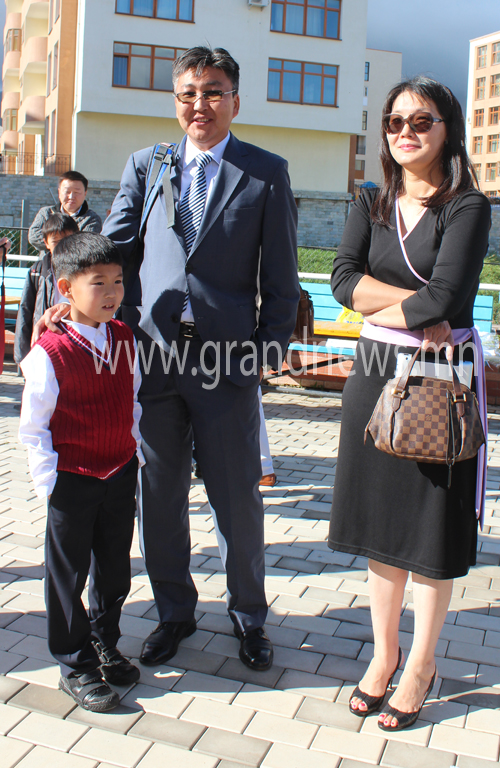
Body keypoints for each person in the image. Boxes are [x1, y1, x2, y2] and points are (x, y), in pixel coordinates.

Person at [37, 46, 299, 671]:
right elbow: (114, 246)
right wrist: (69, 298)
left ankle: (249, 616)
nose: (199, 104)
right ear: (175, 100)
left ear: (235, 100)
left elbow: (282, 274)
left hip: (226, 361)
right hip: (150, 359)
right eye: (188, 93)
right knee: (158, 497)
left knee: (237, 498)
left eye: (212, 92)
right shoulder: (147, 164)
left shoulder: (265, 172)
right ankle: (174, 613)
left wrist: (267, 351)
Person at [328, 76, 491, 731]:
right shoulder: (370, 200)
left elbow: (446, 298)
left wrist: (394, 305)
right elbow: (342, 282)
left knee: (428, 528)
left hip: (438, 379)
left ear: (447, 128)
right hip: (373, 372)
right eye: (395, 121)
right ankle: (383, 654)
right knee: (382, 526)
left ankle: (421, 664)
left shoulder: (468, 206)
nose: (406, 132)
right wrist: (412, 309)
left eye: (421, 121)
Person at [19, 232, 144, 712]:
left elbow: (132, 399)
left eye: (118, 281)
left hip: (119, 471)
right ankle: (74, 663)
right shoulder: (50, 352)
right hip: (71, 478)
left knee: (114, 568)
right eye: (99, 283)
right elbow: (34, 427)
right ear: (66, 289)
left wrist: (133, 452)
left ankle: (103, 640)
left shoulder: (124, 337)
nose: (112, 293)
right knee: (67, 575)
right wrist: (50, 485)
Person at [14, 213, 79, 364]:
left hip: (76, 340)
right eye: (56, 242)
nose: (62, 246)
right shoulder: (37, 272)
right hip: (45, 342)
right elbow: (25, 311)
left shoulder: (86, 270)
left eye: (67, 240)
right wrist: (22, 356)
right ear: (46, 243)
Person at [29, 170, 102, 253]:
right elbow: (33, 237)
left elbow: (85, 244)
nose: (71, 197)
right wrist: (70, 240)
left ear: (85, 193)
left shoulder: (92, 219)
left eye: (77, 192)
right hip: (48, 260)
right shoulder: (46, 212)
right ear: (59, 192)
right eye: (67, 192)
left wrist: (53, 240)